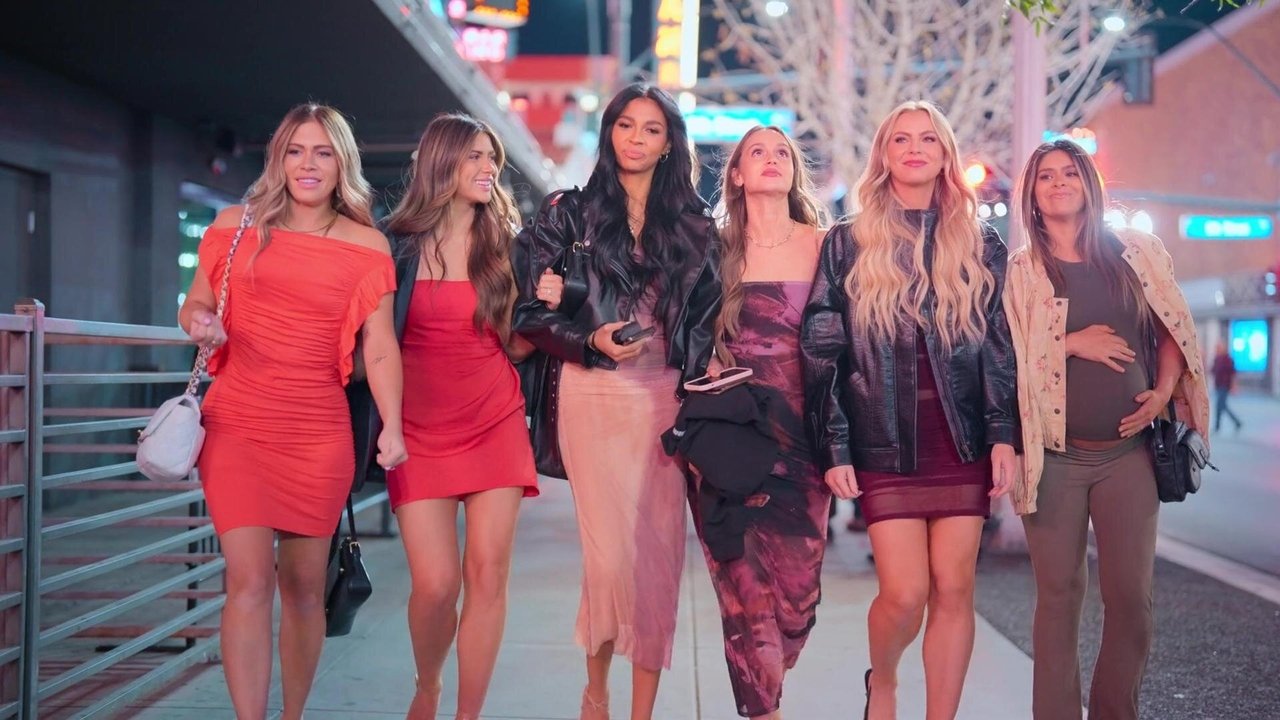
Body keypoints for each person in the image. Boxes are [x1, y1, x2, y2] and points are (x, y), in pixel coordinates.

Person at [180, 103, 407, 720]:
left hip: (317, 433)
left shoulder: (367, 244)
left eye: (323, 152)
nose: (308, 164)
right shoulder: (235, 225)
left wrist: (393, 427)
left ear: (341, 164)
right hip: (237, 423)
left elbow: (379, 347)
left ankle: (292, 715)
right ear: (279, 159)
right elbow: (195, 304)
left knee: (304, 589)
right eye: (296, 151)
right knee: (248, 581)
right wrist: (200, 322)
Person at [800, 100, 1017, 720]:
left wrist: (1003, 433)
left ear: (945, 155)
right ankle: (885, 679)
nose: (915, 148)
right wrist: (835, 446)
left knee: (955, 586)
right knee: (904, 593)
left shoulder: (979, 243)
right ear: (884, 155)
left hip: (961, 439)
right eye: (901, 139)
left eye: (928, 139)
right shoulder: (848, 241)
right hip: (882, 441)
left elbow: (999, 347)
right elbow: (821, 349)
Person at [513, 82, 721, 720]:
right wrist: (588, 338)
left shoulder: (695, 225)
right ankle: (597, 694)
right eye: (626, 125)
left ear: (669, 144)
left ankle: (642, 712)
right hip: (592, 393)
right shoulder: (567, 214)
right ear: (609, 133)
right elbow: (528, 315)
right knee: (608, 560)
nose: (637, 138)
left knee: (656, 558)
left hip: (665, 400)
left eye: (651, 129)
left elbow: (706, 322)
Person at [1003, 139, 1210, 720]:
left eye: (1070, 173)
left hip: (1130, 455)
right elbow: (1004, 357)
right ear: (1032, 193)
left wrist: (1163, 392)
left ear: (1089, 184)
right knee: (1058, 599)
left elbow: (1173, 329)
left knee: (1132, 601)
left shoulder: (1136, 253)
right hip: (1054, 457)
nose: (1059, 183)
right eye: (1046, 176)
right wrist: (1071, 342)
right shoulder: (1021, 271)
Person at [379, 113, 553, 720]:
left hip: (494, 420)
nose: (488, 168)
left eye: (491, 157)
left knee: (487, 576)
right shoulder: (395, 244)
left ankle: (467, 714)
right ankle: (428, 685)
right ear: (441, 163)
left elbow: (519, 348)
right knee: (435, 586)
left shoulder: (509, 245)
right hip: (417, 430)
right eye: (474, 156)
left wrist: (545, 309)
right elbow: (374, 340)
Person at [689, 125, 830, 720]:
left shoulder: (826, 246)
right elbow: (679, 329)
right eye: (757, 152)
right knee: (743, 594)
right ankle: (763, 709)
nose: (771, 159)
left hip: (805, 440)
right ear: (737, 174)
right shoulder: (710, 250)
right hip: (730, 440)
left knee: (796, 604)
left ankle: (771, 671)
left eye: (782, 153)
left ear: (793, 172)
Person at [1211, 341, 1242, 432]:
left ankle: (1218, 426)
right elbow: (1213, 370)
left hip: (1225, 385)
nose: (1217, 350)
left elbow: (1233, 373)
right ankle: (1236, 422)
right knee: (1222, 406)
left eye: (1218, 348)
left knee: (1220, 405)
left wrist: (1234, 385)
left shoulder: (1228, 359)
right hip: (1218, 385)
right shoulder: (1217, 359)